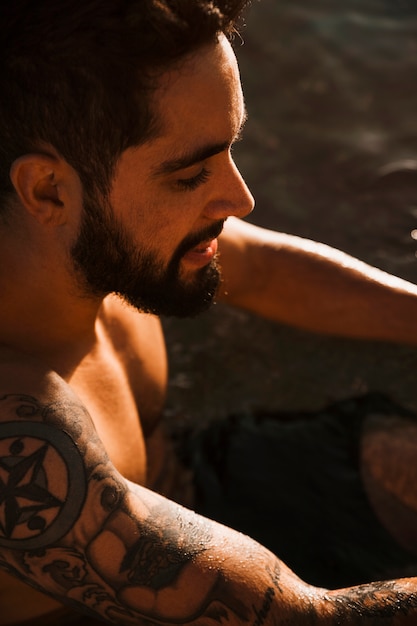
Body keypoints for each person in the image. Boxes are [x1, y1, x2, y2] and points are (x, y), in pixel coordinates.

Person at [2, 1, 417, 624]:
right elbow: (309, 619)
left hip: (206, 479)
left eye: (231, 149)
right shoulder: (21, 441)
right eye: (192, 173)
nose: (242, 198)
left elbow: (266, 270)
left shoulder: (100, 241)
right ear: (47, 190)